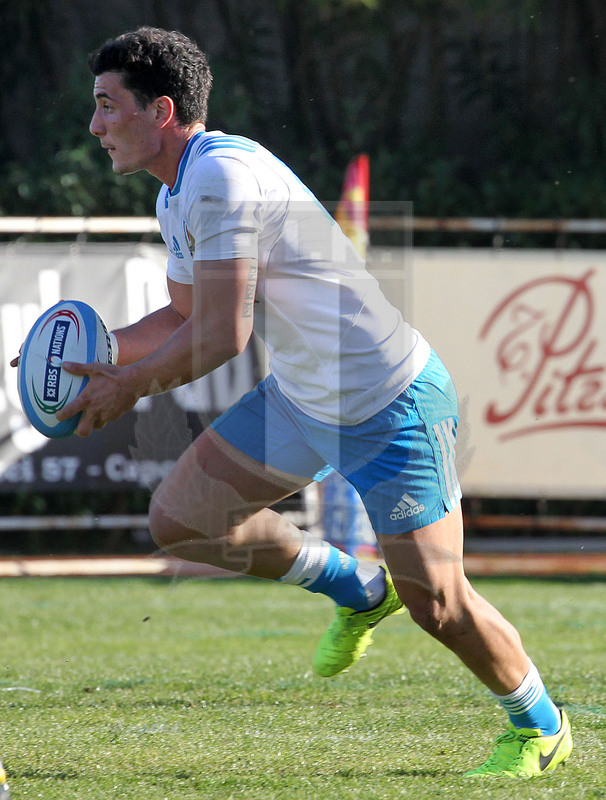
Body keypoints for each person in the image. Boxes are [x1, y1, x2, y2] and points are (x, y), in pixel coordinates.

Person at [53, 27, 571, 777]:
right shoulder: (179, 192)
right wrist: (87, 355)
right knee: (183, 519)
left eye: (106, 106)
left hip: (392, 404)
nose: (95, 125)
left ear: (160, 111)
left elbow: (223, 336)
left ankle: (542, 725)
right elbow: (179, 320)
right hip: (304, 398)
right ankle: (355, 587)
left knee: (439, 605)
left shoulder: (221, 179)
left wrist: (127, 384)